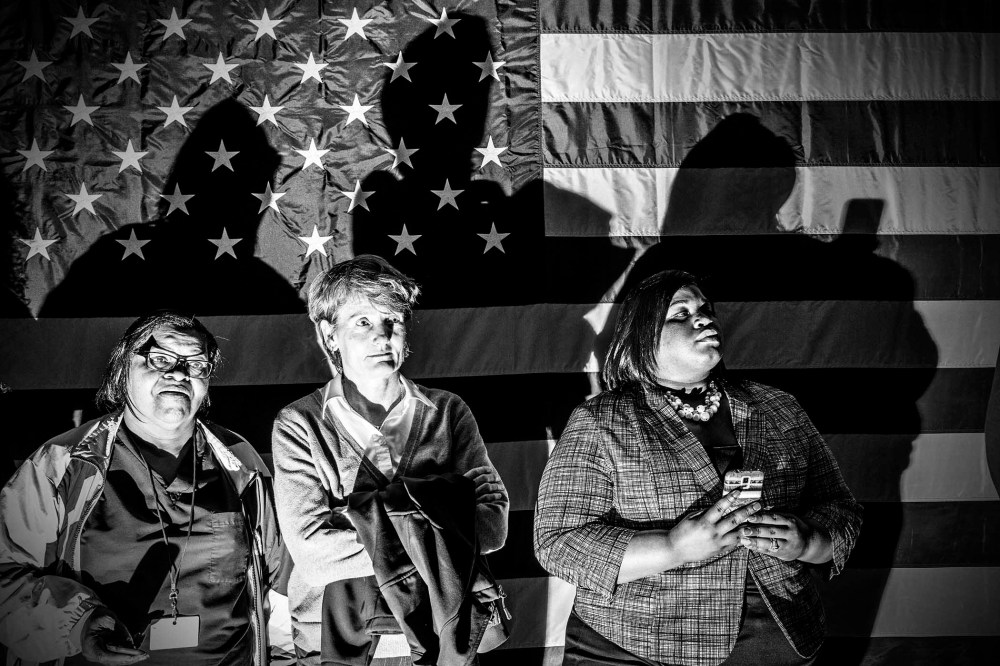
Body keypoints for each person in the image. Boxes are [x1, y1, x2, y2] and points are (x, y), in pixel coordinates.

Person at [534, 269, 863, 666]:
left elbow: (840, 507)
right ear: (642, 337)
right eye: (680, 314)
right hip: (637, 643)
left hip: (777, 636)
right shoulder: (602, 420)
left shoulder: (778, 407)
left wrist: (810, 542)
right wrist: (672, 548)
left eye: (705, 309)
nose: (704, 318)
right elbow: (557, 543)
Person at [0, 312, 283, 666]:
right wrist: (79, 624)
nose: (179, 373)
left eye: (196, 364)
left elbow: (280, 582)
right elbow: (6, 578)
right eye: (160, 358)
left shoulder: (240, 463)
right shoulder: (61, 465)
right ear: (123, 369)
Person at [271, 255, 508, 665]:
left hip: (443, 634)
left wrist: (360, 519)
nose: (382, 336)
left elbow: (492, 527)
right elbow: (312, 553)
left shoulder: (448, 412)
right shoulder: (299, 423)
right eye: (362, 322)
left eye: (393, 321)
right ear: (330, 335)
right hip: (334, 636)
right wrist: (445, 516)